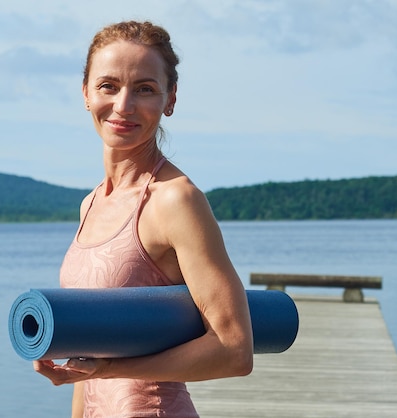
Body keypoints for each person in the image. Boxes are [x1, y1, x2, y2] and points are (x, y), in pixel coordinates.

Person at [33, 20, 253, 418]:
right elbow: (89, 360)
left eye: (145, 89)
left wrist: (112, 369)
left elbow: (234, 348)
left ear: (170, 99)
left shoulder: (176, 200)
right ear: (85, 93)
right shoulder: (91, 204)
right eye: (108, 86)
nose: (123, 105)